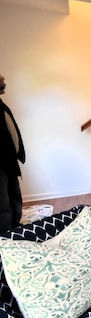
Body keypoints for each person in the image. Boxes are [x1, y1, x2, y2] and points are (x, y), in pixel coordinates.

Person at [0, 73, 26, 231]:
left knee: (13, 194)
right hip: (1, 161)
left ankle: (15, 226)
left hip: (8, 160)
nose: (4, 82)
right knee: (2, 201)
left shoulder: (0, 103)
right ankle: (6, 234)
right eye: (1, 80)